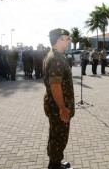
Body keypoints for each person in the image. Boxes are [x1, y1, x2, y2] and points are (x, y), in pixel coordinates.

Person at [43, 28, 74, 169]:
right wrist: (62, 108)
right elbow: (55, 87)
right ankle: (54, 166)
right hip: (58, 107)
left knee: (56, 134)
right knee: (59, 136)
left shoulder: (55, 55)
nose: (69, 41)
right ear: (59, 40)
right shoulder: (56, 58)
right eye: (67, 38)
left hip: (57, 105)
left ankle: (55, 162)